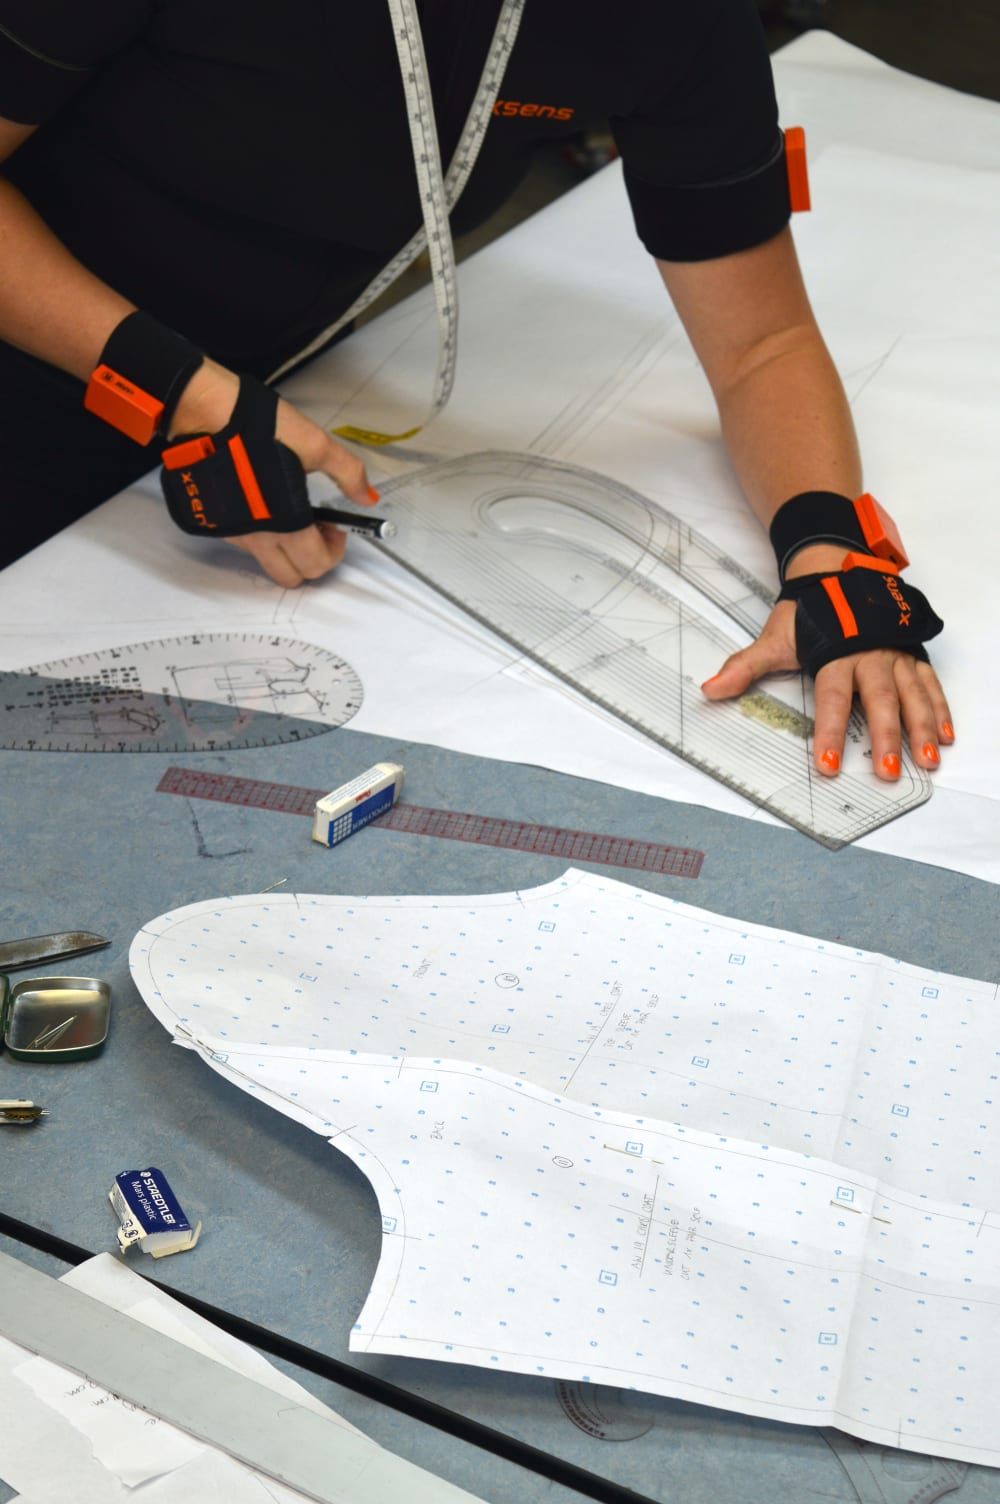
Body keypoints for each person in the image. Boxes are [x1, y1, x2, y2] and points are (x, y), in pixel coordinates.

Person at [0, 0, 952, 781]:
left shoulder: (672, 22)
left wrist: (831, 551)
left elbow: (763, 342)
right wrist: (179, 392)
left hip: (252, 393)